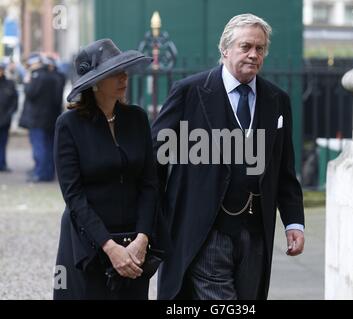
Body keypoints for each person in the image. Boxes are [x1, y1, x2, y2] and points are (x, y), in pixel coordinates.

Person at [151, 13, 305, 300]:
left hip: (256, 232)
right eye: (246, 46)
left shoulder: (277, 100)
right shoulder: (190, 92)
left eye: (259, 49)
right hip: (206, 231)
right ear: (224, 49)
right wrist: (156, 218)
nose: (253, 54)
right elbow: (155, 158)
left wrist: (294, 221)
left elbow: (284, 169)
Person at [53, 39, 157, 299]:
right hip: (87, 242)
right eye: (114, 73)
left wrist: (142, 239)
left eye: (125, 70)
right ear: (95, 82)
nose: (124, 77)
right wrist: (109, 247)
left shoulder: (137, 118)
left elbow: (150, 183)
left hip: (134, 242)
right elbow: (74, 196)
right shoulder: (69, 125)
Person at [19, 53, 62, 182]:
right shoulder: (53, 76)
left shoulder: (36, 76)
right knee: (48, 147)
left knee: (39, 147)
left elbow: (30, 93)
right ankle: (48, 172)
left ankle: (41, 174)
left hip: (38, 118)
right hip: (50, 117)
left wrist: (26, 82)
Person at [0, 62, 18, 172]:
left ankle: (2, 164)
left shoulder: (10, 84)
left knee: (3, 143)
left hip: (5, 120)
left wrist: (9, 114)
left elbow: (14, 101)